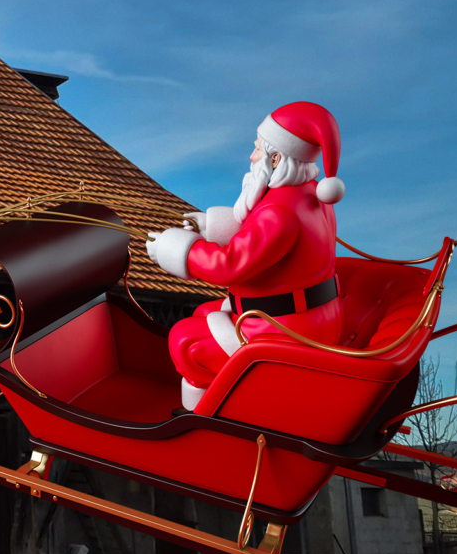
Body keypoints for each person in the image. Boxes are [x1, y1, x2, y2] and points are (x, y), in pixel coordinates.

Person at [142, 102, 347, 411]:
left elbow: (229, 267)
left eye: (257, 149)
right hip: (313, 318)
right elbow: (260, 235)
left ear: (276, 158)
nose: (251, 157)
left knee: (184, 340)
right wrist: (209, 225)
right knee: (203, 313)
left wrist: (177, 250)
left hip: (285, 332)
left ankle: (201, 416)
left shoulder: (279, 213)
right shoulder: (308, 194)